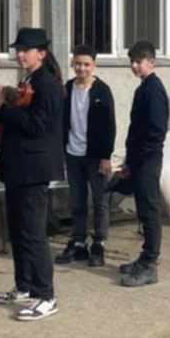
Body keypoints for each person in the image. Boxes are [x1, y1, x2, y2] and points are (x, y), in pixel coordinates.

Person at [0, 27, 65, 319]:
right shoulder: (28, 81)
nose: (20, 55)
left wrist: (1, 111)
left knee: (33, 234)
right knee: (18, 231)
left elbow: (37, 126)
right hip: (18, 169)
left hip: (33, 170)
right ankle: (24, 286)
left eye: (26, 50)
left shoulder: (47, 84)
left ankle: (46, 295)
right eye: (18, 50)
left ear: (41, 53)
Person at [56, 44, 116, 268]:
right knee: (77, 201)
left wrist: (106, 156)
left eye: (86, 64)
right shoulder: (67, 88)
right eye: (78, 64)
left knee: (100, 201)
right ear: (73, 64)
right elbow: (61, 121)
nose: (82, 68)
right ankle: (78, 241)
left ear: (94, 65)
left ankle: (99, 242)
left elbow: (109, 125)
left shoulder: (102, 90)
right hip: (73, 154)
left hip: (95, 156)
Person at [117, 40, 169, 287]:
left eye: (139, 61)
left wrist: (140, 159)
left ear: (152, 62)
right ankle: (145, 256)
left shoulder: (154, 89)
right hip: (139, 159)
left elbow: (156, 131)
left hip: (148, 160)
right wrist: (130, 160)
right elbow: (136, 128)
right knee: (143, 210)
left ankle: (150, 264)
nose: (135, 66)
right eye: (132, 62)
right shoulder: (143, 88)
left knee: (149, 211)